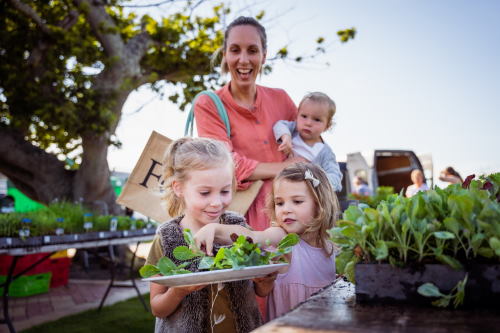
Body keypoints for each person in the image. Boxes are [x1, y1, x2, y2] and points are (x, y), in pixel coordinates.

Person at [145, 137, 268, 333]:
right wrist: (178, 291)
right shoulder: (167, 238)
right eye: (205, 193)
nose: (216, 202)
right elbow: (157, 308)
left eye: (225, 191)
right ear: (179, 188)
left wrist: (266, 280)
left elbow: (262, 290)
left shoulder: (238, 229)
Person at [194, 16, 303, 232]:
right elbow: (224, 163)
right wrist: (283, 167)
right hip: (242, 220)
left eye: (252, 50)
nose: (243, 60)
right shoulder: (208, 104)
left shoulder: (281, 99)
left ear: (264, 56)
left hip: (293, 215)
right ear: (225, 54)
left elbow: (307, 147)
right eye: (235, 50)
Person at [195, 162, 339, 321]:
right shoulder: (283, 239)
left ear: (320, 205)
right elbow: (252, 238)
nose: (285, 209)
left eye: (297, 201)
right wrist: (215, 229)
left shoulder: (332, 247)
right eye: (280, 203)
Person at [272, 92, 342, 191]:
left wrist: (314, 178)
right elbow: (280, 125)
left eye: (317, 120)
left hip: (304, 192)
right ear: (297, 116)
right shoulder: (293, 131)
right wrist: (286, 137)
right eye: (304, 116)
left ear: (327, 126)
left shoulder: (325, 152)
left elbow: (335, 179)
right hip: (281, 184)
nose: (308, 123)